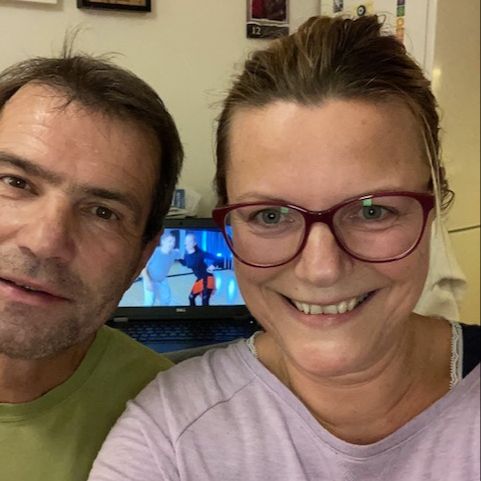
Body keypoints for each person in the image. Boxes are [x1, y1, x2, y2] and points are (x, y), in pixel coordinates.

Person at [88, 15, 480, 481]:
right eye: (270, 216)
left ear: (433, 208)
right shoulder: (170, 436)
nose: (321, 269)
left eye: (372, 211)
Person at [0, 42, 183, 481]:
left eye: (103, 212)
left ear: (142, 257)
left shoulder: (178, 427)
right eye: (15, 182)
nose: (45, 242)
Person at [179, 233, 218, 306]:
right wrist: (177, 258)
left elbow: (217, 258)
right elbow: (186, 263)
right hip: (200, 279)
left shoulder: (200, 253)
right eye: (186, 241)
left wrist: (211, 267)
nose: (186, 243)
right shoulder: (186, 255)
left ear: (194, 243)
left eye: (189, 241)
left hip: (208, 278)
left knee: (204, 301)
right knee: (191, 297)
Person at [142, 232, 181, 306]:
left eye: (173, 242)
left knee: (166, 300)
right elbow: (143, 267)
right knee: (149, 302)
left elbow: (180, 254)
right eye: (170, 241)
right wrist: (147, 281)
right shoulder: (154, 252)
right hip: (150, 279)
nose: (172, 244)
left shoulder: (174, 253)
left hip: (162, 280)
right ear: (163, 242)